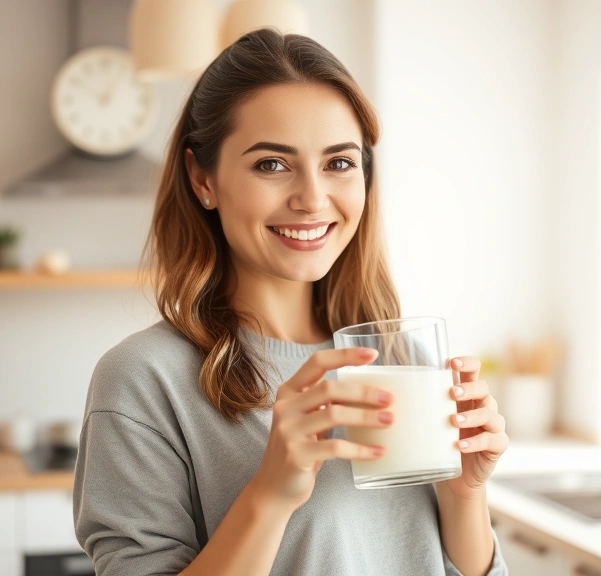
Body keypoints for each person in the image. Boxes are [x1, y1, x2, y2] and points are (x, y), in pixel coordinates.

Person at [73, 28, 509, 576]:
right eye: (272, 164)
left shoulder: (400, 361)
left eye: (340, 163)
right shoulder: (143, 380)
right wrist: (271, 493)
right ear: (201, 178)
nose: (312, 198)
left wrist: (465, 493)